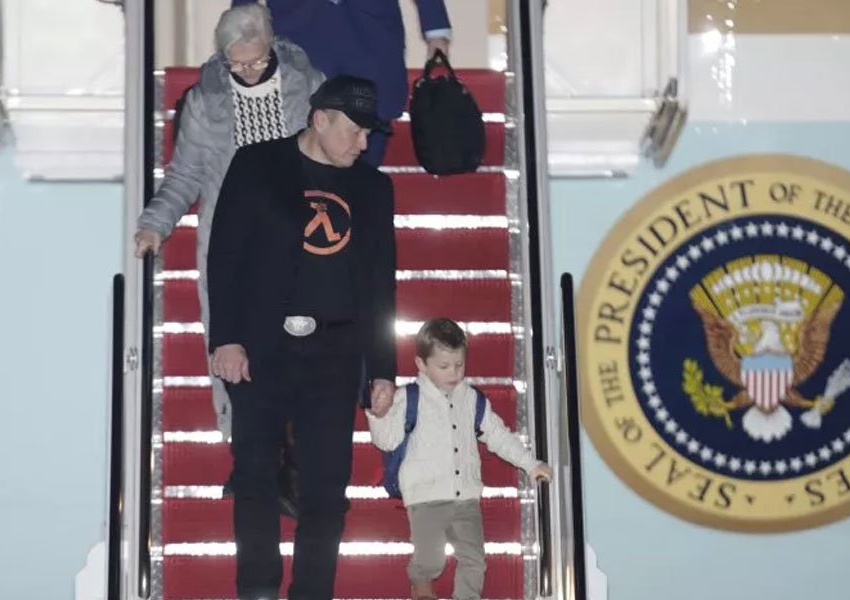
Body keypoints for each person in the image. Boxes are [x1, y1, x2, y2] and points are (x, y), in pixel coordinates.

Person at [206, 74, 397, 600]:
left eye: (368, 135)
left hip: (334, 353)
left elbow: (382, 283)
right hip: (260, 349)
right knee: (254, 476)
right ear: (320, 119)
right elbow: (224, 257)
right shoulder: (258, 165)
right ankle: (258, 589)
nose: (364, 144)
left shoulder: (374, 187)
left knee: (326, 491)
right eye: (355, 132)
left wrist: (382, 368)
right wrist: (225, 338)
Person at [133, 5, 323, 516]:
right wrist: (156, 223)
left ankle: (293, 467)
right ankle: (251, 461)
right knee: (233, 347)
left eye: (256, 61)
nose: (248, 72)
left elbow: (335, 156)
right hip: (232, 243)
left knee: (297, 351)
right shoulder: (204, 101)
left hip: (300, 236)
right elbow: (185, 175)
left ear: (272, 47)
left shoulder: (310, 87)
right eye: (237, 64)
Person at [367, 318, 552, 600]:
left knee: (474, 560)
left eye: (459, 365)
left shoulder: (472, 399)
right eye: (444, 366)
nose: (453, 372)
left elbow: (498, 435)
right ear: (421, 364)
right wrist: (379, 415)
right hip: (425, 498)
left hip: (466, 497)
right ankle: (420, 580)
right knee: (431, 560)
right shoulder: (408, 398)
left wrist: (530, 464)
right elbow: (387, 440)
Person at [231, 0, 451, 166]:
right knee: (294, 142)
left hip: (372, 37)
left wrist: (436, 30)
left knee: (367, 144)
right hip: (297, 31)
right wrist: (240, 33)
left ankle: (357, 217)